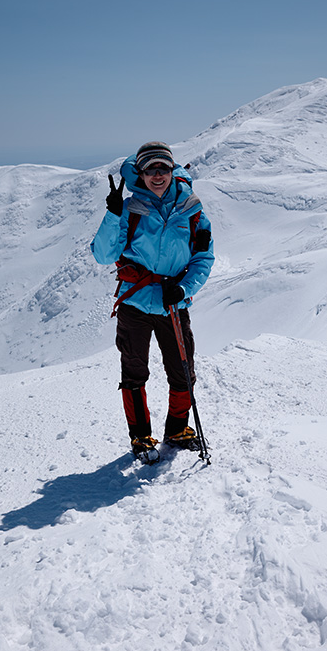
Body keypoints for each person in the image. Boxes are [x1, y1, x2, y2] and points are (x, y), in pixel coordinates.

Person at [91, 141, 214, 461]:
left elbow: (203, 258)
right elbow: (103, 255)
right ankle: (141, 438)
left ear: (173, 171)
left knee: (183, 370)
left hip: (173, 303)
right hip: (135, 303)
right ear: (140, 174)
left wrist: (185, 289)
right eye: (150, 169)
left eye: (163, 168)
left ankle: (177, 430)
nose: (157, 175)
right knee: (134, 373)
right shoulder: (129, 209)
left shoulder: (192, 210)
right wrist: (112, 214)